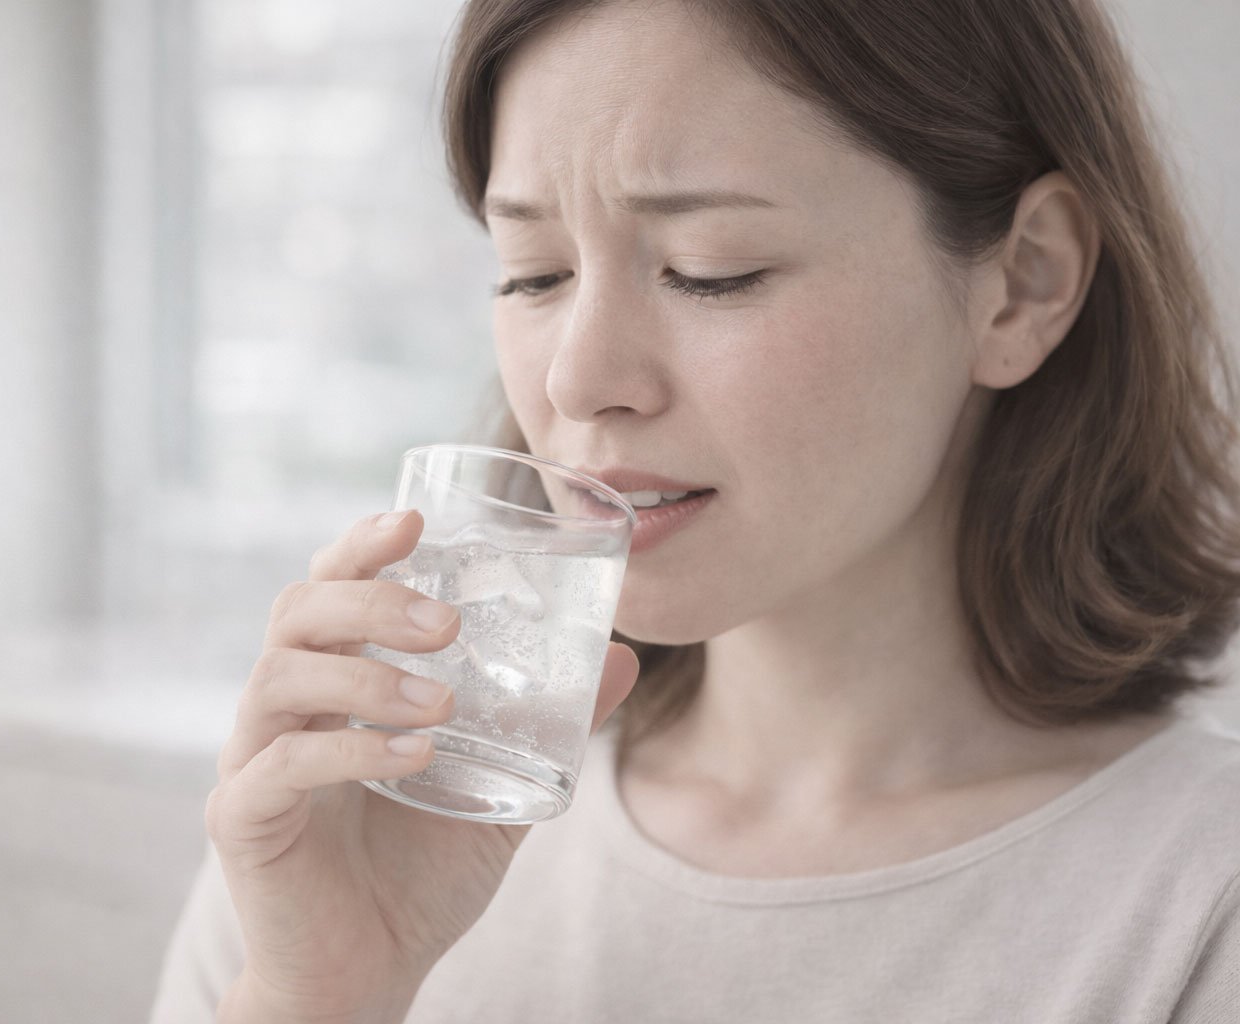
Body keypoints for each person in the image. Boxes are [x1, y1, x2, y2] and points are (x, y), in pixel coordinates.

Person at [151, 0, 1240, 1019]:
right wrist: (321, 996)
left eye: (711, 269)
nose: (578, 381)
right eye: (533, 274)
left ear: (1026, 281)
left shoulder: (1196, 902)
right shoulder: (360, 819)